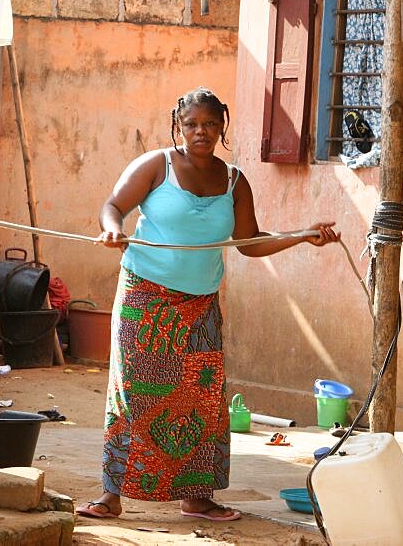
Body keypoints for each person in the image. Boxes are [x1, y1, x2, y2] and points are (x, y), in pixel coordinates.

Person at [77, 87, 339, 522]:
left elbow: (249, 243)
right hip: (146, 299)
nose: (201, 132)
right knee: (133, 396)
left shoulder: (235, 181)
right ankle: (111, 496)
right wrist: (111, 230)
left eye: (210, 124)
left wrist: (302, 235)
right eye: (192, 124)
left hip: (200, 306)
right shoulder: (154, 166)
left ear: (222, 128)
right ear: (178, 126)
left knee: (201, 400)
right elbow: (113, 206)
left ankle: (197, 497)